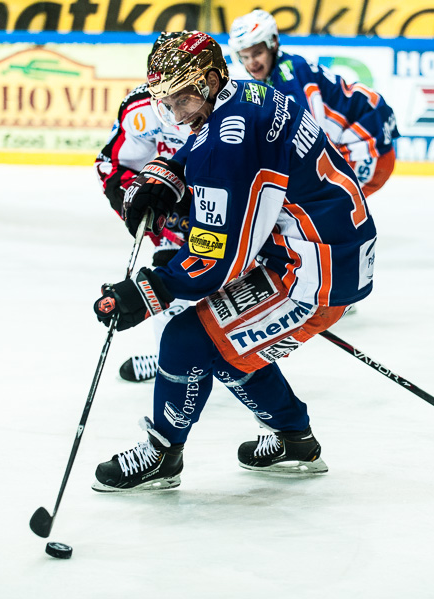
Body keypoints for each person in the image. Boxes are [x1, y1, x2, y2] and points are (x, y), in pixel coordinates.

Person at [89, 31, 377, 492]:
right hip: (322, 249)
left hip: (313, 271)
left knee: (186, 339)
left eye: (183, 99)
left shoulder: (226, 144)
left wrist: (146, 292)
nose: (177, 115)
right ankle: (294, 440)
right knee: (227, 351)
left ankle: (163, 455)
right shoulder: (245, 94)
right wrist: (172, 173)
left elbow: (218, 260)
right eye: (168, 103)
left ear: (207, 80)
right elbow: (215, 154)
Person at [94, 32, 194, 383]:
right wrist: (134, 201)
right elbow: (112, 164)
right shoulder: (141, 109)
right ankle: (171, 356)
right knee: (167, 278)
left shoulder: (224, 106)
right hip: (172, 209)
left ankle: (223, 360)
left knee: (230, 288)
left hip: (228, 206)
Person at [228, 9, 399, 198]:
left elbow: (311, 139)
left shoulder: (290, 76)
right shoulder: (282, 71)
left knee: (319, 203)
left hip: (368, 145)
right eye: (245, 56)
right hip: (363, 142)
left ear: (273, 44)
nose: (251, 63)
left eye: (257, 53)